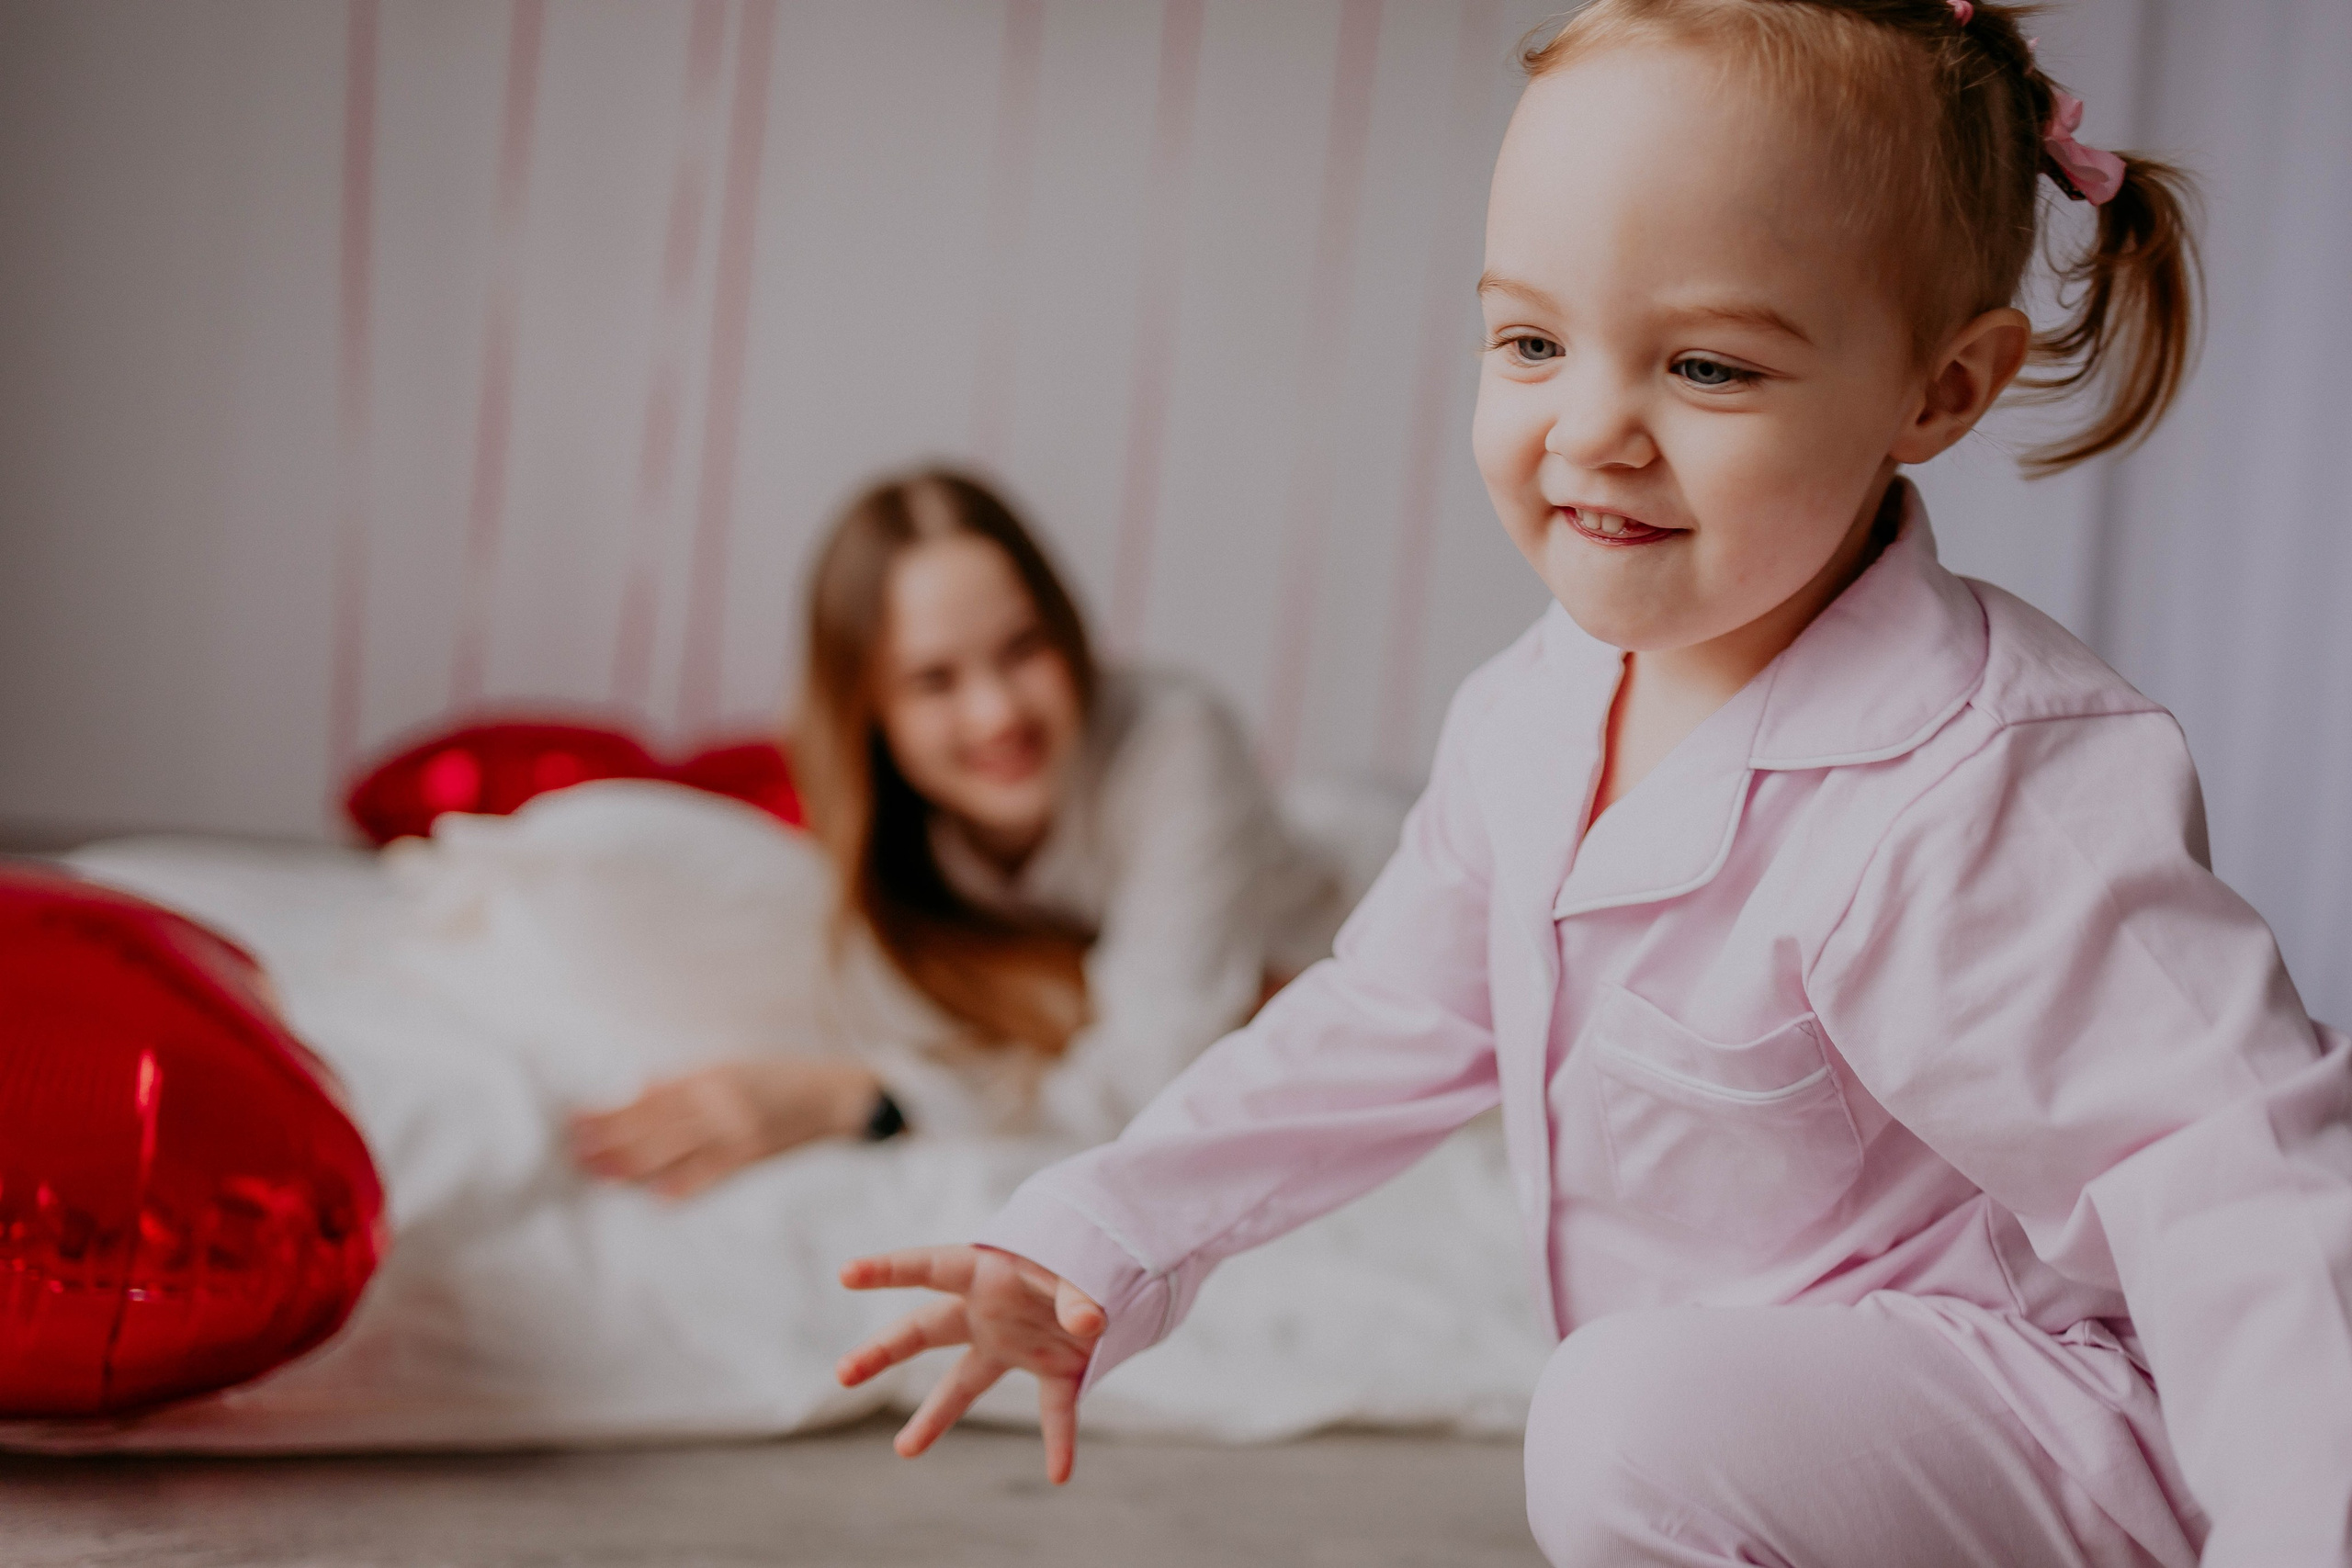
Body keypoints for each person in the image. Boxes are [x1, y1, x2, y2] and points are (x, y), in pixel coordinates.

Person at [833, 4, 2352, 1564]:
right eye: (1532, 343)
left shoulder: (1990, 783)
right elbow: (1383, 1022)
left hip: (2062, 1430)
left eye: (1705, 364)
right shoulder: (1534, 711)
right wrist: (1101, 1230)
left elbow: (2238, 1177)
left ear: (1939, 391)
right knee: (1626, 1417)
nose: (1590, 430)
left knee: (1621, 1422)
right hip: (1801, 1439)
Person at [571, 469, 1349, 1199]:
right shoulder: (897, 832)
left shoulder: (1177, 743)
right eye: (934, 680)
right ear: (870, 710)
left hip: (1352, 910)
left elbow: (1145, 1085)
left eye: (1023, 649)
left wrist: (859, 1099)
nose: (996, 712)